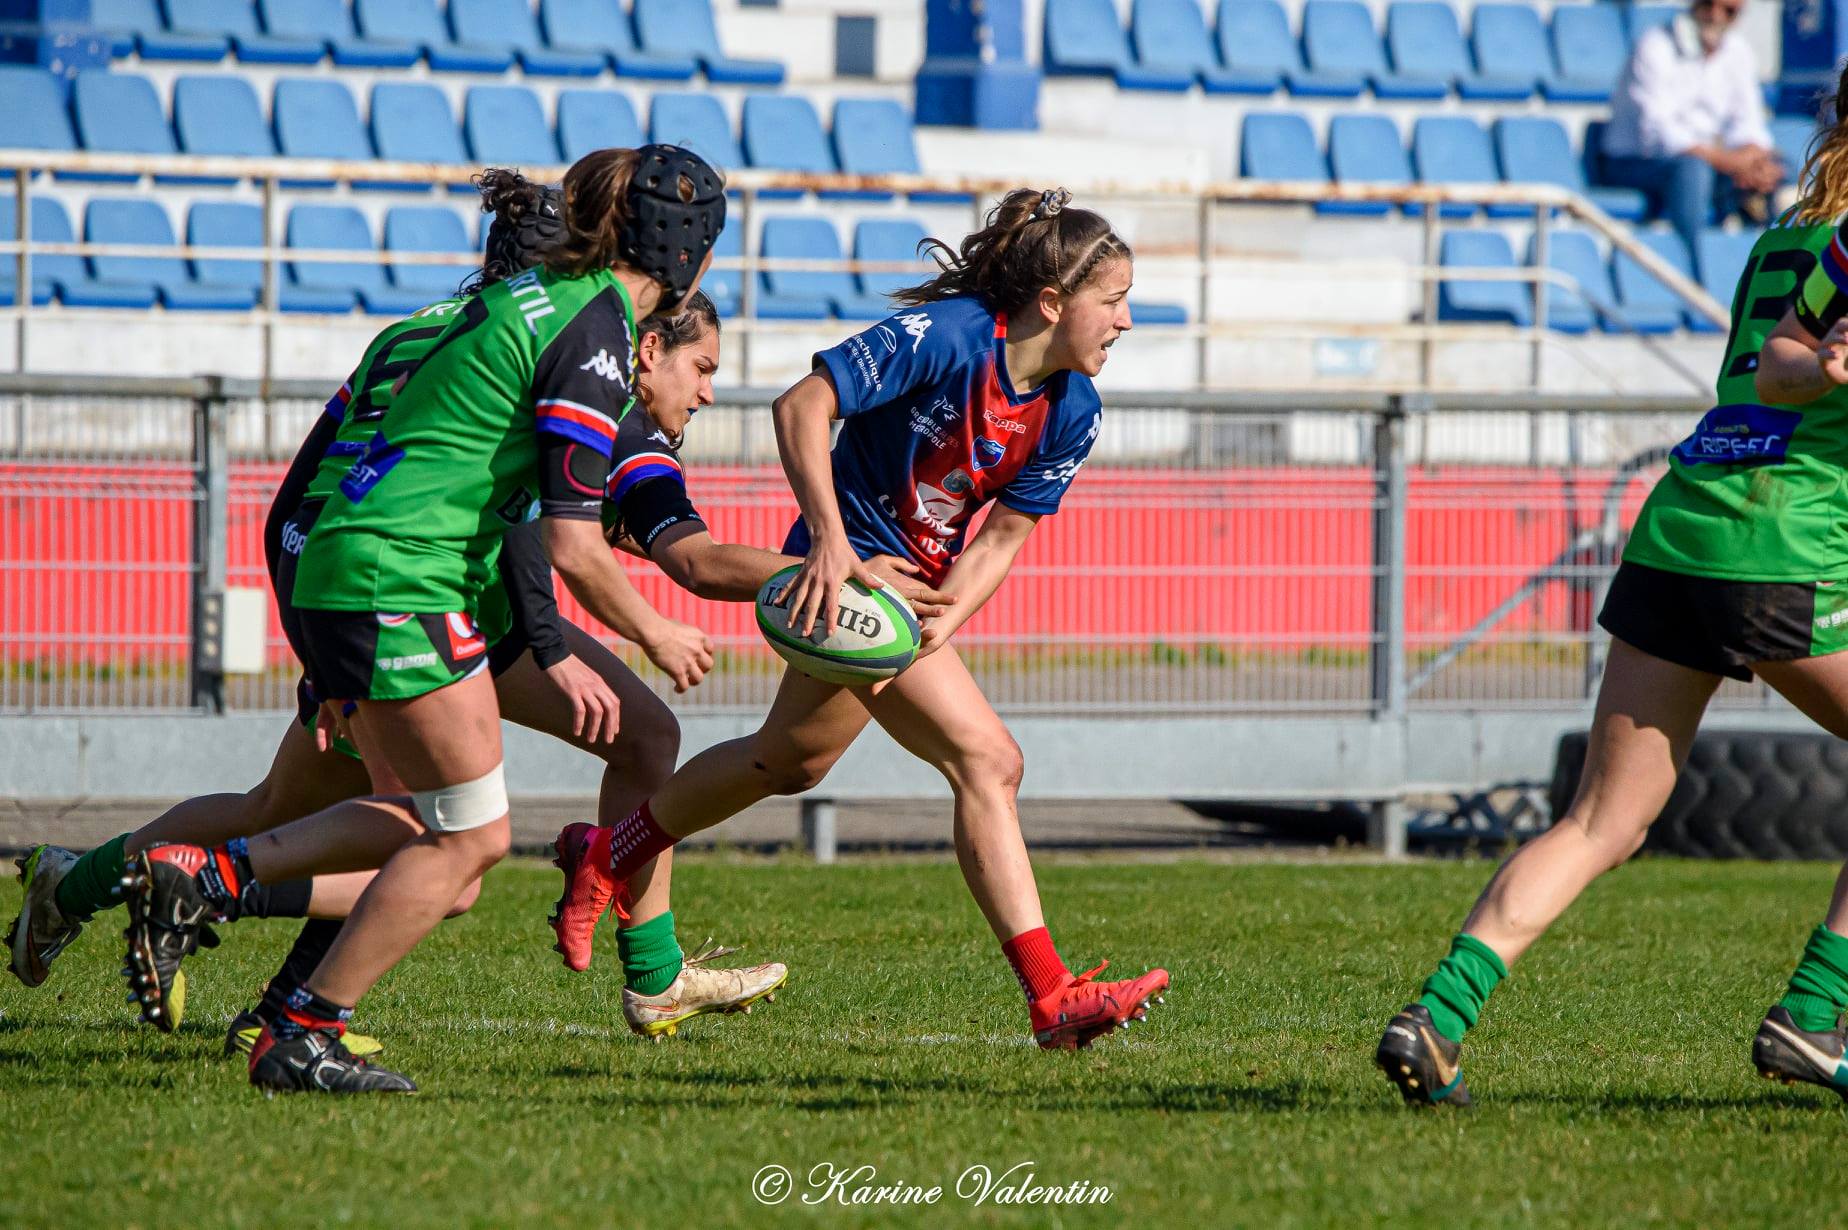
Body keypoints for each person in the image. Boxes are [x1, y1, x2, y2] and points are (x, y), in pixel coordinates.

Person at [105, 144, 723, 1094]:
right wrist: (655, 629)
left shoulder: (525, 303)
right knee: (464, 840)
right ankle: (276, 992)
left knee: (436, 827)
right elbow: (567, 543)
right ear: (696, 259)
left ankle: (253, 954)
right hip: (402, 575)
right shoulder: (595, 331)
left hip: (362, 563)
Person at [549, 187, 1169, 1052]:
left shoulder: (1074, 411)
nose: (1128, 320)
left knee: (787, 760)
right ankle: (1051, 995)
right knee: (988, 759)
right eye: (1115, 299)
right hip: (854, 580)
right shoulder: (950, 336)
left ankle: (609, 854)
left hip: (905, 601)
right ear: (1055, 303)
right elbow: (802, 406)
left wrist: (949, 615)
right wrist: (834, 553)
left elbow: (1006, 534)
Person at [1376, 65, 1848, 1107]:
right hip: (1786, 543)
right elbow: (1808, 393)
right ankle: (1816, 1013)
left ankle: (1438, 1016)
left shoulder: (1780, 244)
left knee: (1603, 821)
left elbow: (1767, 378)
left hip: (1682, 523)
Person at [1600, 0, 1783, 252]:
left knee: (1780, 170)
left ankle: (1775, 265)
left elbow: (1749, 124)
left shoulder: (1738, 52)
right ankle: (1692, 270)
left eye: (1728, 11)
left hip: (1708, 161)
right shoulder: (1655, 45)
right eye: (1709, 4)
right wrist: (1730, 162)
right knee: (1692, 172)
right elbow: (1659, 135)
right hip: (1636, 162)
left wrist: (1753, 159)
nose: (1715, 16)